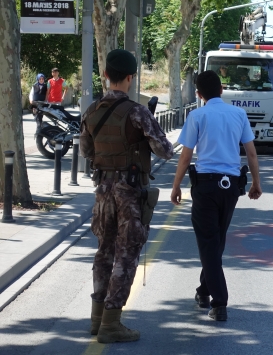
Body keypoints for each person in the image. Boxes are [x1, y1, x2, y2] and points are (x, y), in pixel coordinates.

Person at [79, 49, 173, 343]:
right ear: (131, 78)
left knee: (103, 252)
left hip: (103, 190)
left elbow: (87, 152)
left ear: (105, 75)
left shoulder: (91, 111)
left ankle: (96, 319)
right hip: (129, 193)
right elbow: (165, 150)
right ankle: (111, 323)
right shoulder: (137, 111)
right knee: (126, 255)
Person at [170, 70, 262, 321]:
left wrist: (176, 185)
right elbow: (251, 153)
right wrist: (256, 182)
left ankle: (219, 302)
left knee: (210, 243)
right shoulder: (239, 114)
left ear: (198, 94)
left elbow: (186, 156)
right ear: (221, 89)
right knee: (216, 241)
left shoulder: (197, 115)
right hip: (231, 187)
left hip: (206, 187)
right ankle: (203, 290)